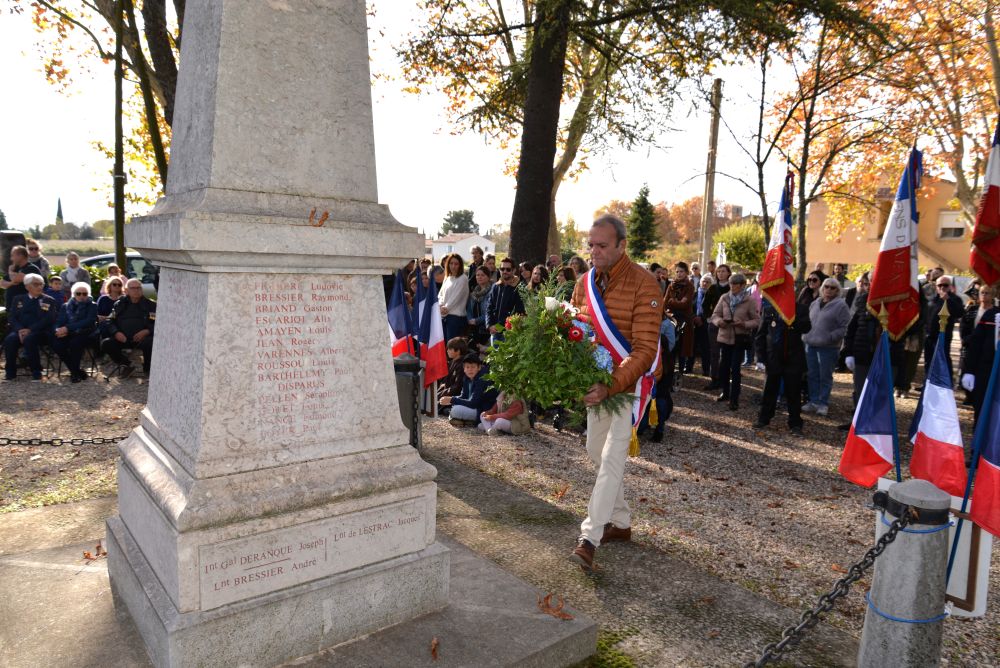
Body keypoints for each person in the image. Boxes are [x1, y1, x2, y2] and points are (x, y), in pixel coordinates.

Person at [568, 214, 661, 573]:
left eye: (602, 245)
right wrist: (579, 380)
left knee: (611, 457)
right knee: (595, 449)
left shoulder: (645, 284)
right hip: (598, 383)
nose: (594, 251)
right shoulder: (583, 284)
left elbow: (645, 350)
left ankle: (589, 537)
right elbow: (575, 334)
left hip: (631, 383)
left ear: (622, 245)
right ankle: (620, 521)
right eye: (590, 244)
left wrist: (612, 385)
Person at [754, 300, 811, 434]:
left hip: (793, 357)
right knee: (769, 389)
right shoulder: (769, 309)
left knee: (793, 391)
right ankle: (764, 418)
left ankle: (795, 423)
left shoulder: (800, 308)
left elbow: (807, 327)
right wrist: (760, 357)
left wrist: (791, 318)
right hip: (773, 357)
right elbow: (761, 335)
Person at [710, 273, 759, 410]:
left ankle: (734, 398)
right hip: (724, 337)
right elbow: (715, 315)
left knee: (735, 369)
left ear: (742, 285)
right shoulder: (724, 298)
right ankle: (725, 392)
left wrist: (743, 324)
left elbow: (757, 320)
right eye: (731, 284)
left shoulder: (749, 300)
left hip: (739, 338)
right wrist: (720, 322)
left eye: (735, 284)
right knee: (724, 367)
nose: (732, 287)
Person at [802, 278, 851, 416]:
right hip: (810, 344)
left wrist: (830, 337)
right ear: (822, 288)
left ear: (837, 290)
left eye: (832, 287)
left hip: (828, 347)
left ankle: (823, 403)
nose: (828, 290)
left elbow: (844, 327)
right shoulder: (815, 303)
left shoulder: (841, 305)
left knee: (825, 376)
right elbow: (808, 321)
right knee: (812, 375)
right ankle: (814, 401)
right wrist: (805, 335)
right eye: (826, 287)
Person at [3, 274, 58, 381]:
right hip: (20, 331)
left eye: (41, 284)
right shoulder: (18, 299)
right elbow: (12, 317)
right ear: (27, 286)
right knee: (10, 340)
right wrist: (19, 329)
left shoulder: (47, 300)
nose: (39, 287)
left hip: (40, 332)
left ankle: (36, 371)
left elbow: (48, 319)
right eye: (36, 284)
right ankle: (10, 372)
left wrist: (30, 330)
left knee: (30, 339)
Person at [100, 278, 156, 378]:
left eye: (138, 288)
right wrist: (116, 332)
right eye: (133, 288)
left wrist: (146, 331)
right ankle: (126, 365)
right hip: (123, 338)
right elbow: (109, 320)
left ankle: (148, 369)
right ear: (126, 290)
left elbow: (155, 322)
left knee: (151, 342)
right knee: (106, 343)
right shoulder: (119, 304)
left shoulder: (151, 305)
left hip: (142, 339)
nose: (136, 290)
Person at [961, 285, 999, 429]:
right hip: (986, 368)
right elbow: (976, 344)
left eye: (987, 293)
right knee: (982, 404)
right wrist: (969, 370)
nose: (984, 295)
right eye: (982, 292)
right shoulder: (991, 315)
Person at [51, 281, 98, 382]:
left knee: (75, 343)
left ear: (88, 294)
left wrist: (67, 328)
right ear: (73, 294)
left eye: (84, 294)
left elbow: (88, 321)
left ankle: (75, 374)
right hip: (68, 333)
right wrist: (58, 330)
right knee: (57, 344)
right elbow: (59, 321)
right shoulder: (65, 306)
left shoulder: (92, 306)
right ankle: (76, 370)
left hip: (85, 333)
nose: (81, 296)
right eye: (78, 293)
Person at [922, 274, 963, 378]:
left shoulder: (955, 299)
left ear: (950, 286)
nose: (942, 287)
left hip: (944, 335)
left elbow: (959, 312)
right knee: (929, 360)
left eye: (945, 285)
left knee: (943, 358)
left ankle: (947, 381)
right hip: (930, 336)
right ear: (936, 286)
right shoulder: (932, 299)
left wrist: (948, 300)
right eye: (940, 285)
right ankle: (928, 381)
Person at [439, 353, 497, 426]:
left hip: (483, 411)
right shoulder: (466, 378)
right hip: (474, 407)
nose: (470, 370)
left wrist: (452, 400)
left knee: (456, 410)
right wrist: (450, 400)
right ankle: (466, 421)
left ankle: (461, 419)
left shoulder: (482, 379)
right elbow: (463, 396)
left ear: (479, 367)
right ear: (464, 369)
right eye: (467, 367)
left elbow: (473, 403)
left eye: (473, 367)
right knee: (454, 407)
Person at [703, 263, 731, 389]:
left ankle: (724, 379)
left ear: (728, 273)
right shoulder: (713, 288)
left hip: (729, 324)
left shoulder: (732, 288)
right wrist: (709, 318)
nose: (720, 273)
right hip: (714, 324)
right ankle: (714, 379)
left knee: (726, 353)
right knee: (714, 353)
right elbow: (705, 305)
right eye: (718, 271)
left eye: (723, 271)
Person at [485, 258, 525, 345]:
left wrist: (498, 326)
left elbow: (518, 312)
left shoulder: (519, 287)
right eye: (502, 269)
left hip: (510, 332)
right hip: (494, 331)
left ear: (514, 270)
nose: (505, 271)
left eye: (508, 269)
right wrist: (489, 325)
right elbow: (489, 307)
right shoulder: (496, 286)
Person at [664, 261, 694, 372]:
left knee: (682, 346)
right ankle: (670, 369)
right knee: (671, 344)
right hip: (671, 318)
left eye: (681, 271)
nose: (679, 274)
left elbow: (684, 304)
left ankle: (681, 370)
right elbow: (665, 301)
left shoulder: (689, 286)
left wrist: (672, 302)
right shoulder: (671, 285)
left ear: (686, 272)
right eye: (677, 272)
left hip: (684, 319)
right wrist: (669, 305)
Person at [439, 253, 470, 342]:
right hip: (445, 316)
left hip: (456, 318)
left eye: (456, 264)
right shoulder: (447, 278)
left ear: (460, 265)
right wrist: (440, 305)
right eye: (451, 263)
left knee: (452, 345)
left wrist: (446, 307)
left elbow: (456, 297)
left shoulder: (463, 278)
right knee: (444, 344)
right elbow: (440, 294)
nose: (453, 266)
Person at [2, 246, 41, 311]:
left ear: (20, 256)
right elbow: (2, 283)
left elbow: (17, 279)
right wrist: (11, 283)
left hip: (26, 308)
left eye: (13, 255)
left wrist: (10, 272)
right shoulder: (15, 269)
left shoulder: (31, 268)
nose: (11, 259)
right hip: (11, 307)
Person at [437, 337, 470, 412]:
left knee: (438, 407)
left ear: (458, 351)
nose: (447, 351)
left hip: (456, 396)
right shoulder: (452, 362)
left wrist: (440, 395)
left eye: (450, 349)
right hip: (448, 392)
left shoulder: (462, 364)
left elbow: (457, 387)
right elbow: (445, 382)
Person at [466, 266, 493, 348]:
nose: (479, 277)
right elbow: (469, 309)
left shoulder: (492, 291)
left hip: (486, 328)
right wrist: (470, 319)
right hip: (474, 328)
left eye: (482, 275)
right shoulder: (474, 292)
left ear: (488, 277)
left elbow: (490, 312)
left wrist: (477, 320)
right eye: (477, 275)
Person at [692, 274, 713, 377]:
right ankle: (688, 367)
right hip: (693, 324)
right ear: (700, 282)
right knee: (692, 346)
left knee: (706, 348)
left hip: (706, 325)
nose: (705, 283)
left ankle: (706, 370)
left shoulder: (713, 296)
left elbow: (713, 310)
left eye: (707, 282)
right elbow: (689, 307)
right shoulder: (694, 294)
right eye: (703, 281)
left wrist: (702, 319)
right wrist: (694, 317)